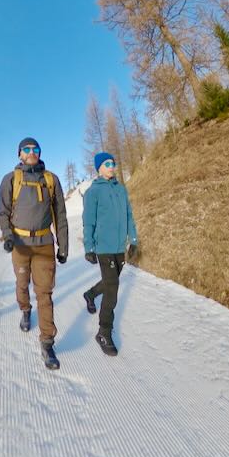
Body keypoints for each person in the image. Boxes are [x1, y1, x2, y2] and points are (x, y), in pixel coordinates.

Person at [0, 137, 68, 370]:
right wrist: (8, 236)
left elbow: (60, 215)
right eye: (26, 149)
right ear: (19, 154)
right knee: (21, 283)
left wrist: (63, 245)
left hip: (44, 244)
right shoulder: (11, 179)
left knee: (45, 292)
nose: (31, 152)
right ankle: (25, 310)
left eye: (35, 148)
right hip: (20, 243)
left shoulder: (51, 180)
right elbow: (3, 213)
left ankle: (47, 342)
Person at [81, 152, 138, 356]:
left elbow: (129, 215)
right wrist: (89, 247)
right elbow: (89, 221)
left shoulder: (121, 189)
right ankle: (104, 332)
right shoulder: (93, 192)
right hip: (104, 247)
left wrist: (133, 239)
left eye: (113, 163)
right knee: (112, 289)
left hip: (118, 247)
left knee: (110, 281)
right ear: (99, 168)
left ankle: (90, 294)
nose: (112, 166)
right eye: (107, 164)